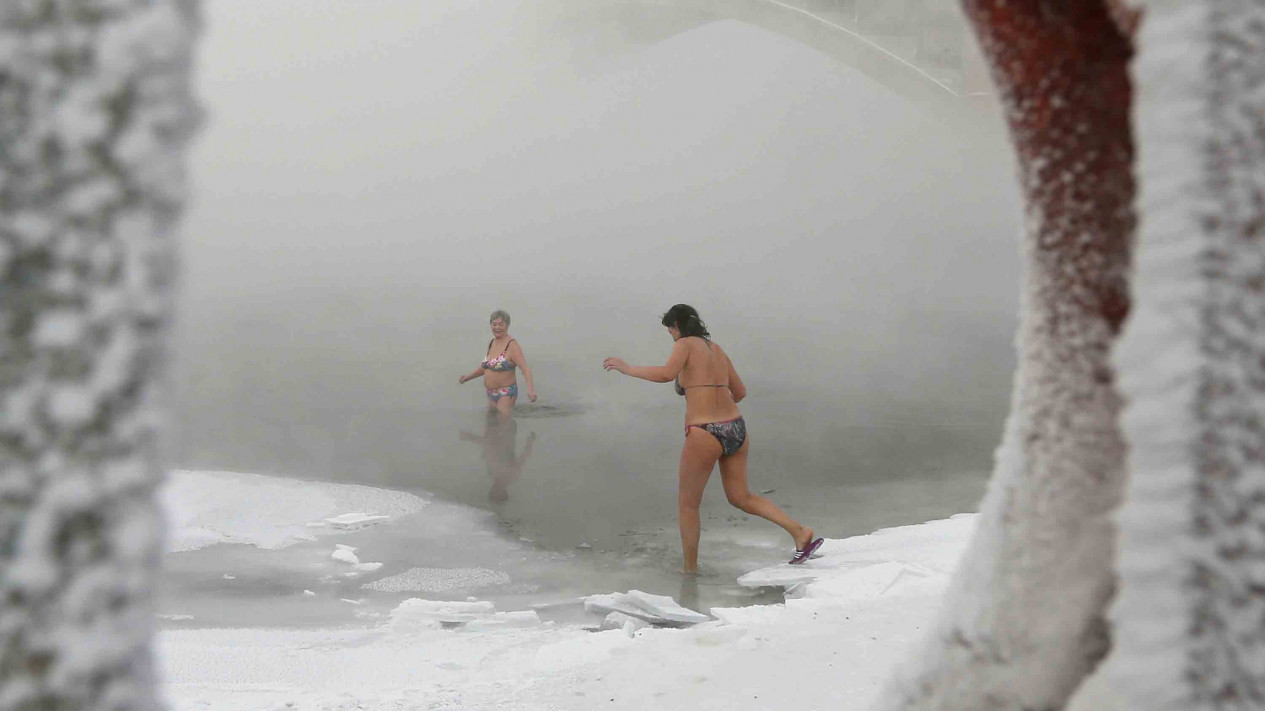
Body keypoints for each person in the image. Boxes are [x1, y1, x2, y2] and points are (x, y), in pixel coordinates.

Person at [603, 304, 822, 573]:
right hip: (736, 427)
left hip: (705, 431)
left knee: (688, 504)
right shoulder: (716, 349)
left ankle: (690, 570)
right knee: (742, 496)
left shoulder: (683, 344)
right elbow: (740, 392)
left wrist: (626, 368)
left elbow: (665, 374)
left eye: (670, 330)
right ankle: (799, 531)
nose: (671, 336)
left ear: (677, 327)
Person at [459, 310, 537, 415]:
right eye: (494, 324)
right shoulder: (491, 343)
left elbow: (525, 369)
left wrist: (530, 390)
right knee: (491, 428)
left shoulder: (512, 345)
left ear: (507, 326)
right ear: (490, 325)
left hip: (506, 393)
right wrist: (468, 377)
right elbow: (486, 367)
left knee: (503, 427)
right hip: (491, 393)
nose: (497, 327)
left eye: (501, 324)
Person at [460, 410, 537, 502]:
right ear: (503, 491)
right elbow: (524, 457)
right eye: (496, 492)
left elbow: (488, 446)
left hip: (495, 429)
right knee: (501, 405)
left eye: (492, 491)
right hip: (505, 430)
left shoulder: (492, 473)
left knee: (495, 407)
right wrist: (530, 442)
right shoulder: (510, 474)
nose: (493, 488)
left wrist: (470, 437)